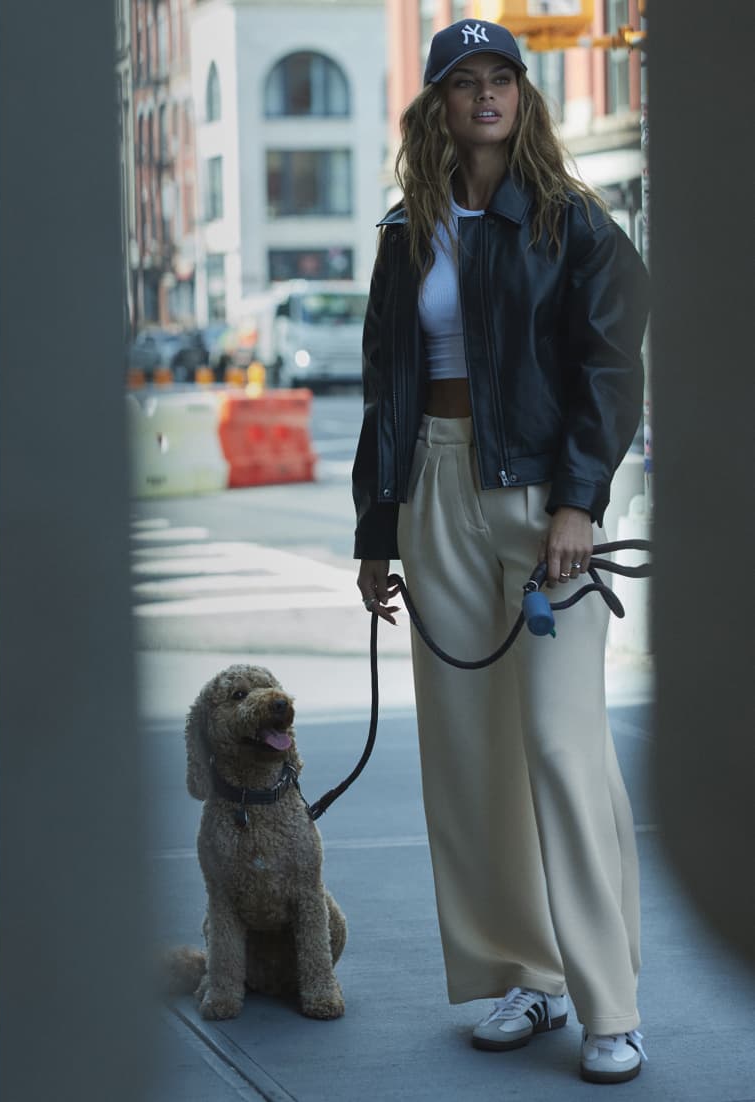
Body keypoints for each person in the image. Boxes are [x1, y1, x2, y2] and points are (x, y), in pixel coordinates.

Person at [352, 18, 650, 1087]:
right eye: (464, 82)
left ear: (522, 98)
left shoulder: (572, 225)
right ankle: (526, 974)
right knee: (470, 756)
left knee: (564, 749)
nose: (485, 96)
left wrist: (578, 502)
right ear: (436, 105)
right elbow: (384, 385)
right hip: (431, 488)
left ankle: (610, 1001)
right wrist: (374, 532)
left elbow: (612, 372)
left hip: (540, 503)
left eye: (501, 80)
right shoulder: (405, 232)